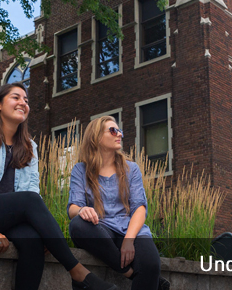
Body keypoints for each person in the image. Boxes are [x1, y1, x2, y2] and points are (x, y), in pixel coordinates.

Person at [0, 83, 117, 290]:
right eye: (16, 97)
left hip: (10, 217)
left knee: (33, 241)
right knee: (29, 200)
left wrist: (44, 232)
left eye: (26, 100)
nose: (23, 102)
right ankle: (78, 273)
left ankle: (76, 276)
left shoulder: (29, 146)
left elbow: (32, 190)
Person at [67, 116, 170, 290]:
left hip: (130, 229)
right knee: (77, 225)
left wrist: (129, 240)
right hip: (101, 229)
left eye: (120, 130)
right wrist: (82, 210)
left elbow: (139, 208)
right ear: (96, 137)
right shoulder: (81, 170)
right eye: (113, 130)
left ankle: (137, 271)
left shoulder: (131, 168)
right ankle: (130, 273)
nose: (119, 134)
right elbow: (72, 208)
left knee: (151, 264)